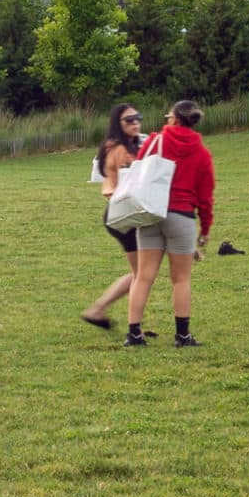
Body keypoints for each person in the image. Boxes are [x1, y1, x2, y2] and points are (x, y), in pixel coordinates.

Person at [123, 99, 215, 348]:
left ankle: (134, 334)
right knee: (181, 279)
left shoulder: (154, 141)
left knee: (143, 276)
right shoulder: (202, 152)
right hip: (182, 216)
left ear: (174, 119)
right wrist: (205, 230)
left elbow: (137, 170)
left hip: (151, 212)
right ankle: (182, 336)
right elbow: (206, 196)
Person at [82, 99, 144, 329]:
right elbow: (131, 180)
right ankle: (101, 311)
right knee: (141, 274)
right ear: (118, 124)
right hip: (123, 215)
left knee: (141, 272)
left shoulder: (127, 145)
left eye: (138, 118)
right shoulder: (119, 150)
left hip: (122, 214)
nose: (135, 123)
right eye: (129, 120)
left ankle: (99, 309)